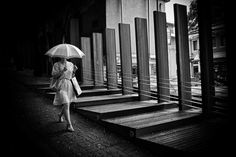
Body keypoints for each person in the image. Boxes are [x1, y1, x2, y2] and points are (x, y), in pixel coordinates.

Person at [51, 57, 79, 132]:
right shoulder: (56, 64)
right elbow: (54, 76)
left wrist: (74, 71)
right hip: (60, 85)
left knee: (67, 103)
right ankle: (69, 125)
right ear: (60, 56)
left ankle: (60, 115)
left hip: (69, 85)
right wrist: (62, 71)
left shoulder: (71, 64)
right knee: (66, 103)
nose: (64, 56)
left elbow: (72, 76)